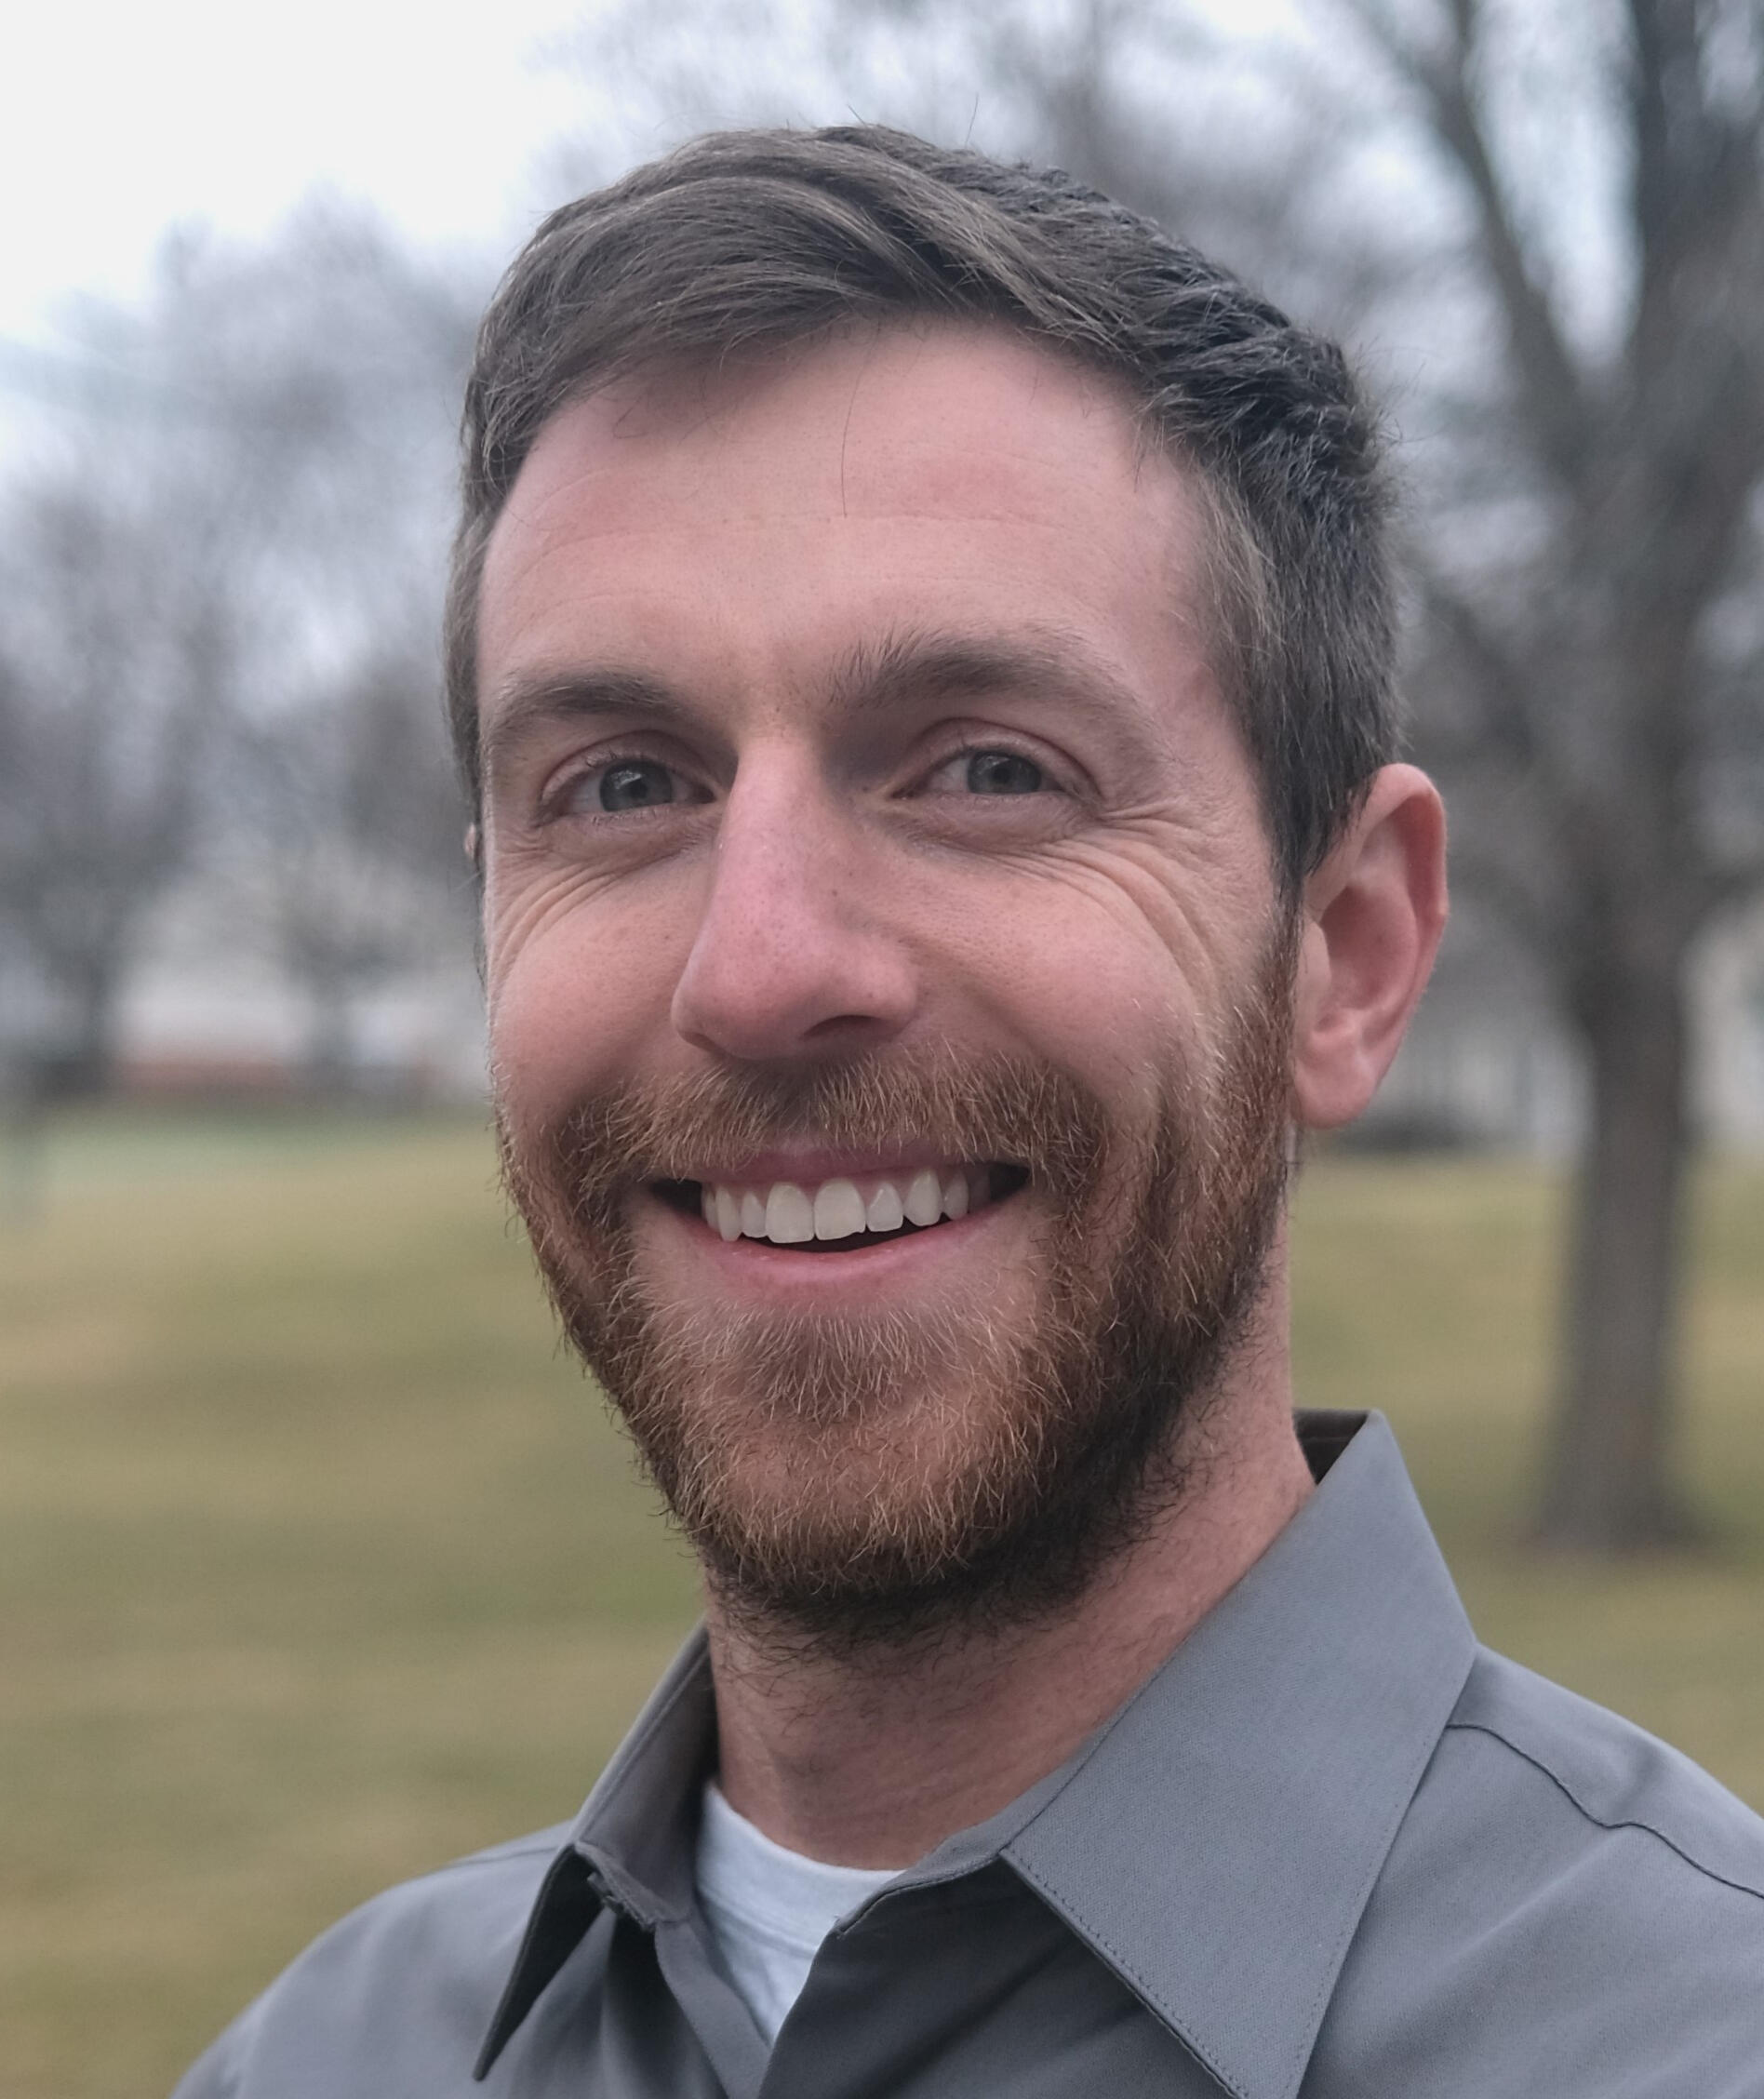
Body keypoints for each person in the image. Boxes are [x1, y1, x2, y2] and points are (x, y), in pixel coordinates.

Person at [174, 126, 1764, 2099]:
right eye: (625, 786)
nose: (759, 968)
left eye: (989, 768)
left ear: (1346, 954)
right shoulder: (330, 2059)